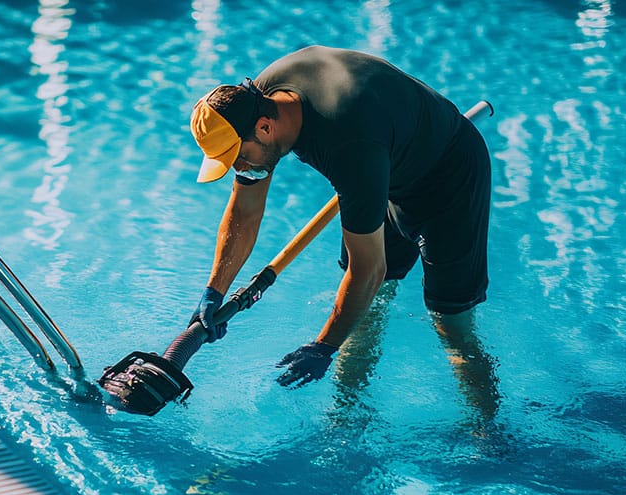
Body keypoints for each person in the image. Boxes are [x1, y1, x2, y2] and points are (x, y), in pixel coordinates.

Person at [188, 45, 494, 389]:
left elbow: (367, 270)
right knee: (366, 309)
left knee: (451, 323)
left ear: (264, 127)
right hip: (385, 162)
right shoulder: (256, 101)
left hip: (449, 177)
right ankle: (347, 417)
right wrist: (215, 289)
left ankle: (486, 431)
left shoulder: (349, 146)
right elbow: (244, 209)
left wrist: (323, 347)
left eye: (239, 158)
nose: (239, 169)